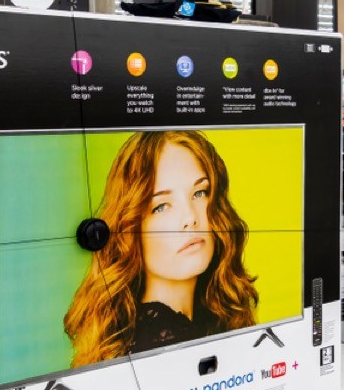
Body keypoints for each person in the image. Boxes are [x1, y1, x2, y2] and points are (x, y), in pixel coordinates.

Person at [64, 130, 258, 368]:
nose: (190, 217)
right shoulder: (154, 345)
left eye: (199, 193)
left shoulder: (213, 318)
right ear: (130, 229)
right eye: (161, 206)